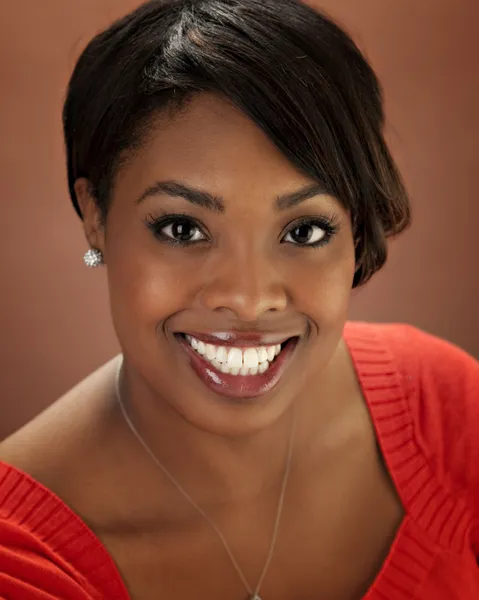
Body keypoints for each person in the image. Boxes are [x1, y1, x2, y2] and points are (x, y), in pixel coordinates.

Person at [0, 0, 478, 598]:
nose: (250, 299)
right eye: (182, 229)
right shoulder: (17, 560)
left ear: (355, 229)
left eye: (303, 231)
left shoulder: (443, 413)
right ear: (96, 215)